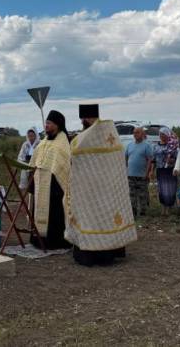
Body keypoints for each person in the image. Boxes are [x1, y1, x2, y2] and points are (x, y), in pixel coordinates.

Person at [68, 104, 137, 266]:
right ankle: (107, 253)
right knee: (100, 219)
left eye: (84, 118)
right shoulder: (110, 134)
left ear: (86, 118)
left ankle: (93, 255)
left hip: (96, 190)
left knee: (94, 220)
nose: (83, 121)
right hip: (98, 190)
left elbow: (74, 158)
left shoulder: (83, 139)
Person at [28, 111, 72, 250]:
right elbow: (35, 161)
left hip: (56, 186)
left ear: (57, 125)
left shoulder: (63, 142)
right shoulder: (44, 142)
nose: (46, 126)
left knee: (55, 213)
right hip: (40, 182)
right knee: (39, 211)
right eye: (46, 123)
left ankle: (56, 241)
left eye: (49, 123)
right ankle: (38, 240)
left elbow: (64, 164)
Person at [124, 126, 154, 217]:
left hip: (142, 175)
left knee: (142, 195)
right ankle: (133, 212)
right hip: (131, 175)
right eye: (134, 132)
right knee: (132, 195)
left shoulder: (147, 146)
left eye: (137, 132)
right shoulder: (129, 145)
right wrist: (127, 170)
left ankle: (143, 212)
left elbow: (150, 160)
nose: (135, 134)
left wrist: (147, 173)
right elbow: (126, 158)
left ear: (142, 134)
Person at [152, 127, 180, 215]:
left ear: (167, 135)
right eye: (160, 134)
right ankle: (163, 208)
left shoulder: (172, 145)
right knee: (161, 189)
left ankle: (169, 208)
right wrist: (151, 170)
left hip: (170, 170)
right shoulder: (156, 145)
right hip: (160, 170)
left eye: (163, 134)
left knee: (170, 189)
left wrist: (172, 161)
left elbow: (177, 158)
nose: (161, 136)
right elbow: (154, 159)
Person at [17, 127, 41, 191]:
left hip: (37, 166)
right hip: (27, 164)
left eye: (32, 136)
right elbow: (20, 156)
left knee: (36, 186)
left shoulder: (40, 144)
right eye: (29, 136)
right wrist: (23, 162)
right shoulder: (25, 145)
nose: (31, 138)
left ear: (36, 135)